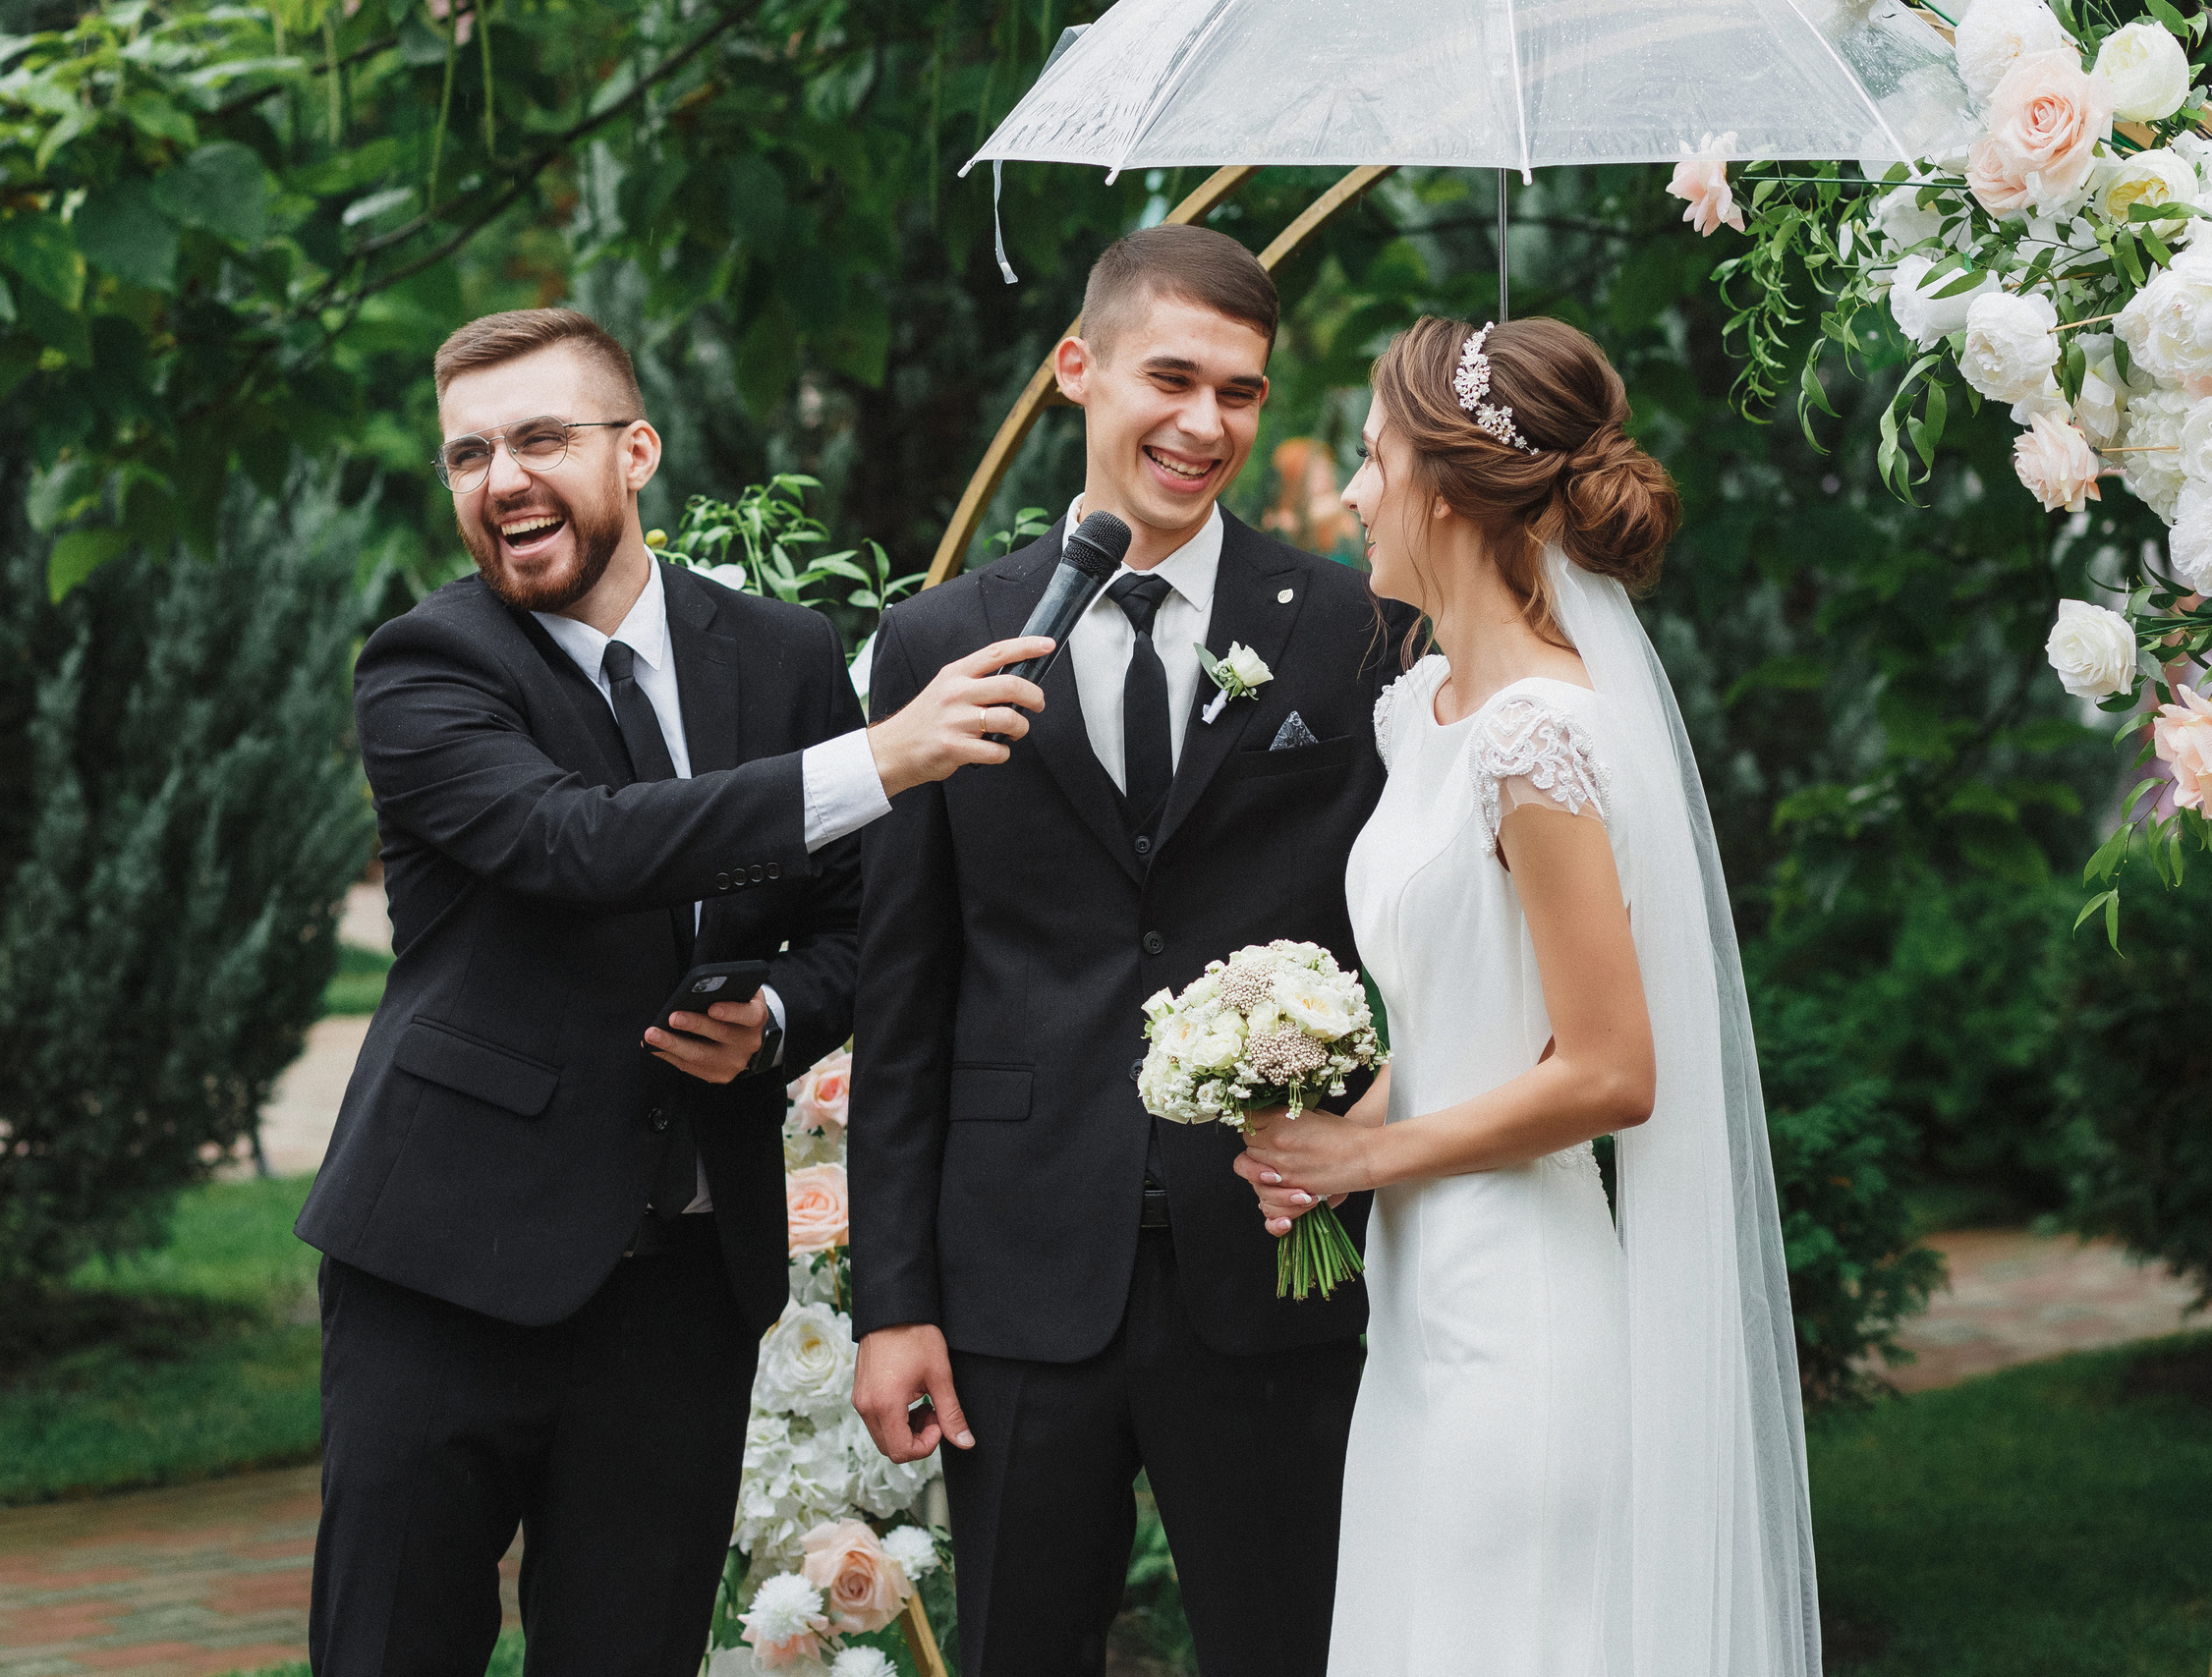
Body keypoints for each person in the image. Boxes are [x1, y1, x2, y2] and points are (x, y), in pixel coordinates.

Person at [294, 307, 1053, 1677]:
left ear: (635, 449)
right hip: (445, 1263)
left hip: (684, 1288)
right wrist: (880, 760)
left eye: (540, 438)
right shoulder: (429, 666)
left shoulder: (780, 655)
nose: (502, 479)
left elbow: (847, 925)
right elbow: (576, 842)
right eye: (468, 455)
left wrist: (769, 1024)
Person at [850, 224, 1418, 1676]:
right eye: (1172, 377)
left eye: (1241, 391)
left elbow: (1409, 930)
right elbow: (906, 996)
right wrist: (894, 1305)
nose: (1206, 424)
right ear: (1076, 370)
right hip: (1017, 1277)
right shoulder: (941, 643)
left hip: (1273, 1260)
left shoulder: (1352, 629)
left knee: (1290, 1648)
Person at [1236, 316, 1820, 1675]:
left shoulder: (1538, 738)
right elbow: (1463, 1029)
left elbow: (1613, 1071)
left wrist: (1372, 1148)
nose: (1351, 493)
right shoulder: (1427, 709)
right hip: (1420, 1302)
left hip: (1522, 1322)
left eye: (1373, 459)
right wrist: (1326, 1145)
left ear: (1444, 488)